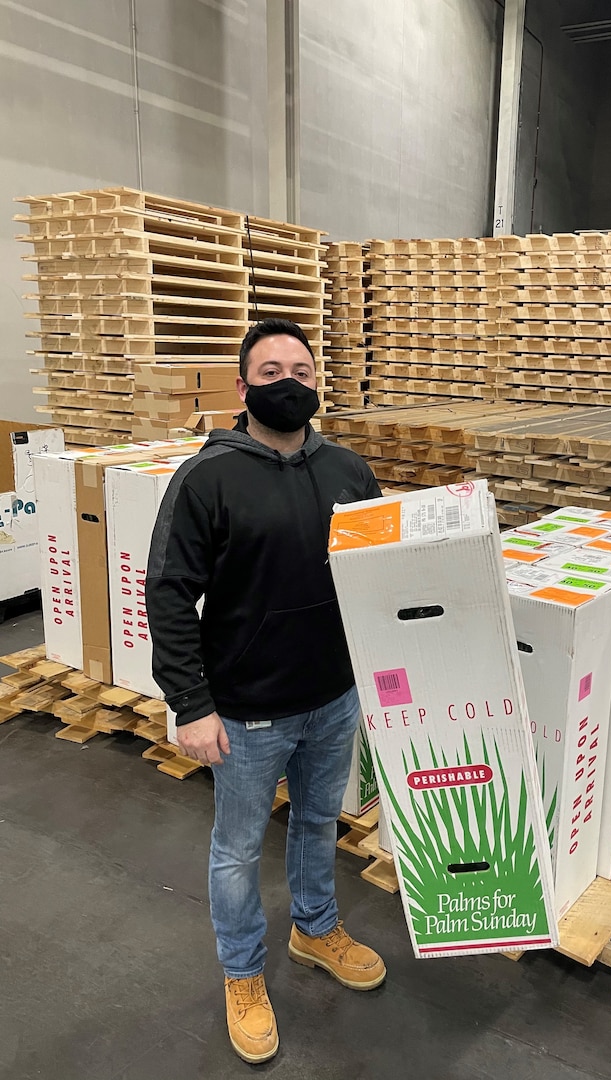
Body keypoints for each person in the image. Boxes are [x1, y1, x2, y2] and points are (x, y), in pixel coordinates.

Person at [145, 318, 385, 1064]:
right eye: (272, 371)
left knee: (317, 826)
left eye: (303, 370)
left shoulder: (348, 470)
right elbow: (168, 593)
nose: (290, 382)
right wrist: (192, 703)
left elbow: (379, 575)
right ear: (244, 387)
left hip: (332, 697)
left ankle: (315, 930)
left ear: (318, 383)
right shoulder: (207, 478)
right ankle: (243, 974)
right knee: (236, 850)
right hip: (247, 711)